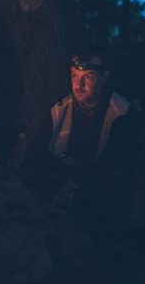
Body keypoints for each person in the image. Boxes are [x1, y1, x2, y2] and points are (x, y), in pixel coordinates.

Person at [44, 50, 138, 229]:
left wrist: (78, 183)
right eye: (74, 76)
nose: (78, 86)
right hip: (59, 185)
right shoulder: (59, 110)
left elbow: (118, 165)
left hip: (100, 195)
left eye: (88, 78)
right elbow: (37, 154)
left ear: (104, 77)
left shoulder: (122, 112)